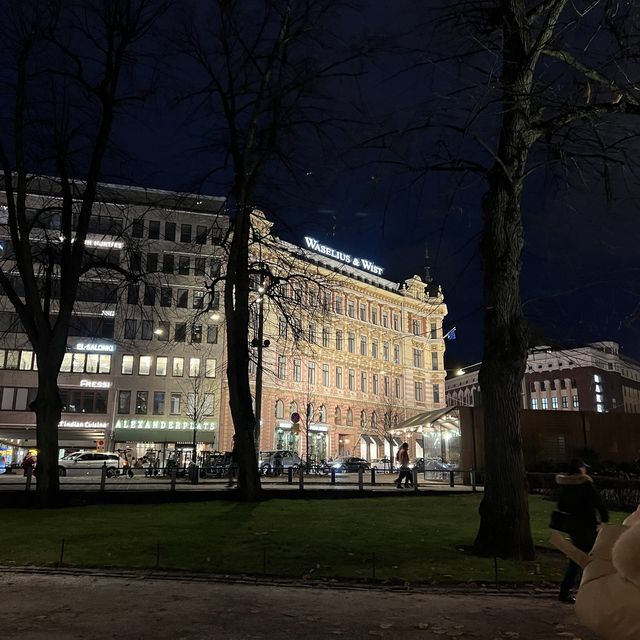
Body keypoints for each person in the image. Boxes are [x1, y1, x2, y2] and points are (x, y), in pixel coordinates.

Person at [556, 457, 609, 604]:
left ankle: (568, 590)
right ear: (580, 469)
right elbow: (598, 501)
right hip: (588, 524)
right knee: (591, 556)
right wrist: (604, 516)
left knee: (578, 557)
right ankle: (588, 590)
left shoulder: (565, 486)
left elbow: (561, 506)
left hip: (573, 526)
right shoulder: (585, 483)